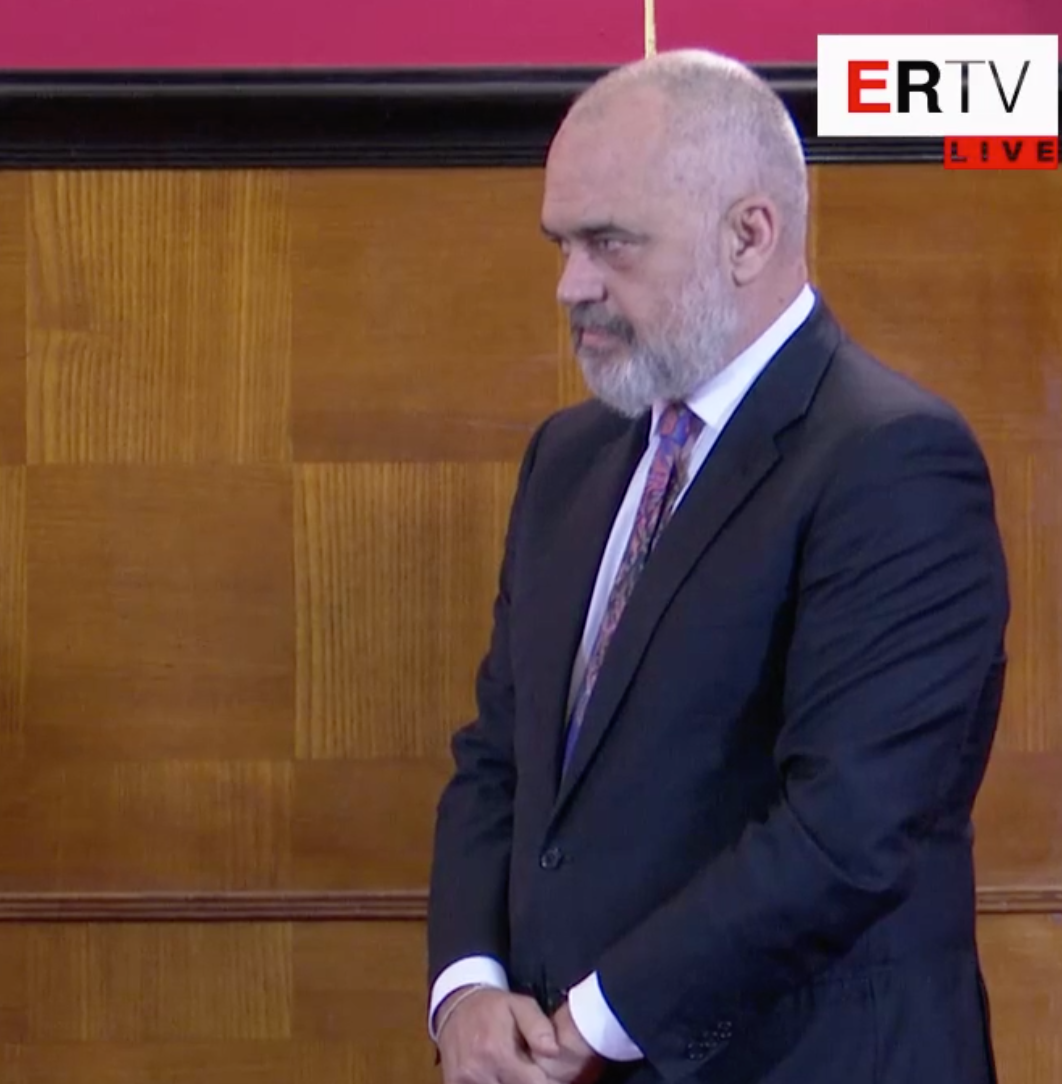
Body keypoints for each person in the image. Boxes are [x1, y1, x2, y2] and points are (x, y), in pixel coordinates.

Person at [424, 50, 1008, 1084]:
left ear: (749, 235)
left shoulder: (895, 461)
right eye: (563, 244)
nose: (571, 286)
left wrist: (595, 1021)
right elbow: (499, 760)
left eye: (610, 244)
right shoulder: (569, 459)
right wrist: (467, 986)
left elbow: (845, 831)